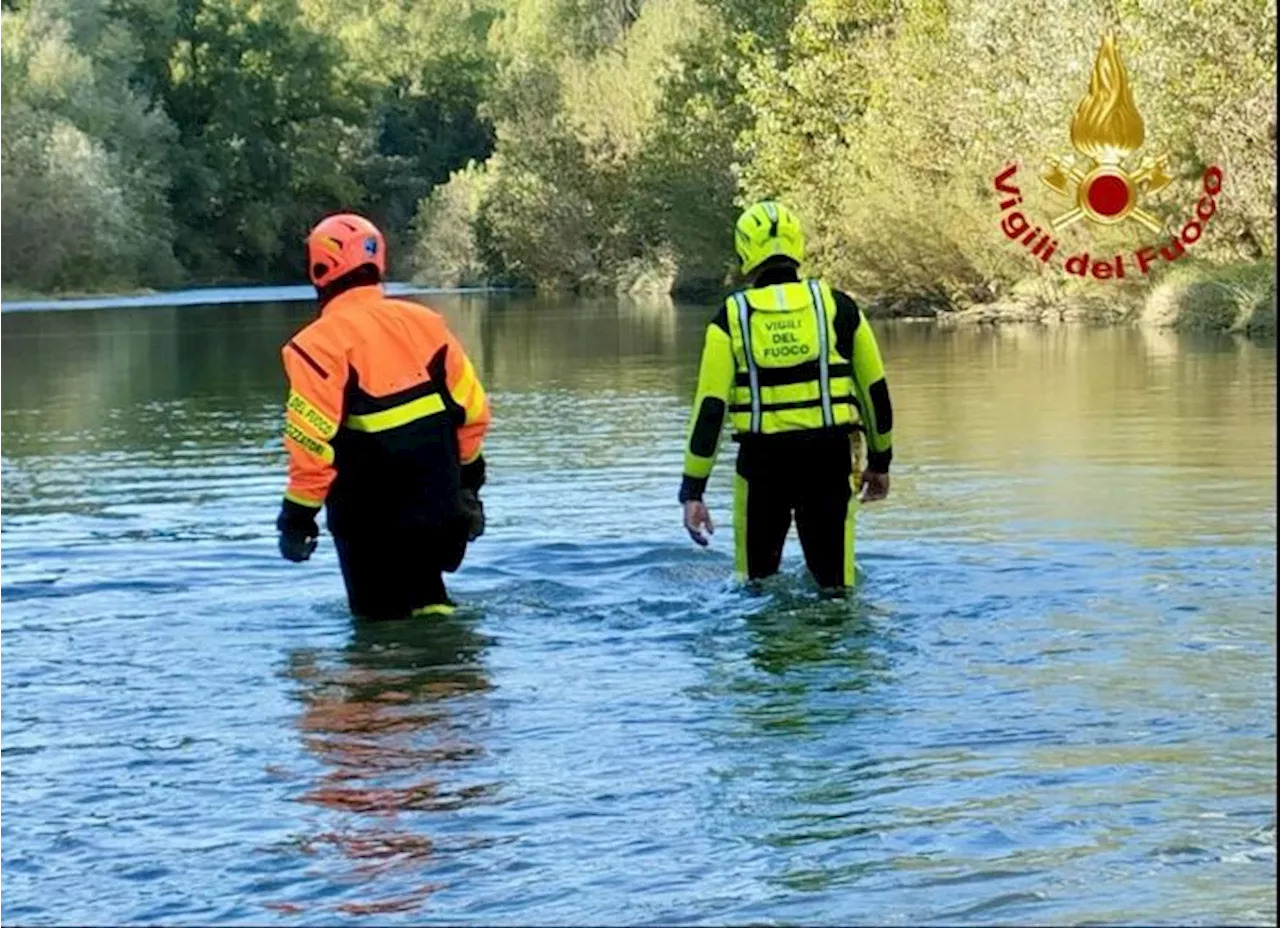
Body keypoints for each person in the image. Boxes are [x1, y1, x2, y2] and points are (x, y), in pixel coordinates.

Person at [274, 212, 491, 619]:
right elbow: (473, 413)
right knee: (432, 605)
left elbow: (310, 447)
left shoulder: (315, 347)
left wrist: (296, 520)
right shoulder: (428, 325)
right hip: (441, 514)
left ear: (319, 268)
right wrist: (469, 488)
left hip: (373, 526)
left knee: (381, 644)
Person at [678, 200, 894, 593]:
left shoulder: (730, 318)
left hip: (761, 467)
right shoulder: (840, 308)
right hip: (828, 463)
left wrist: (693, 491)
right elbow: (875, 391)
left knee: (753, 589)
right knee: (836, 591)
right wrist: (880, 462)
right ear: (797, 244)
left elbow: (709, 410)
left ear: (745, 250)